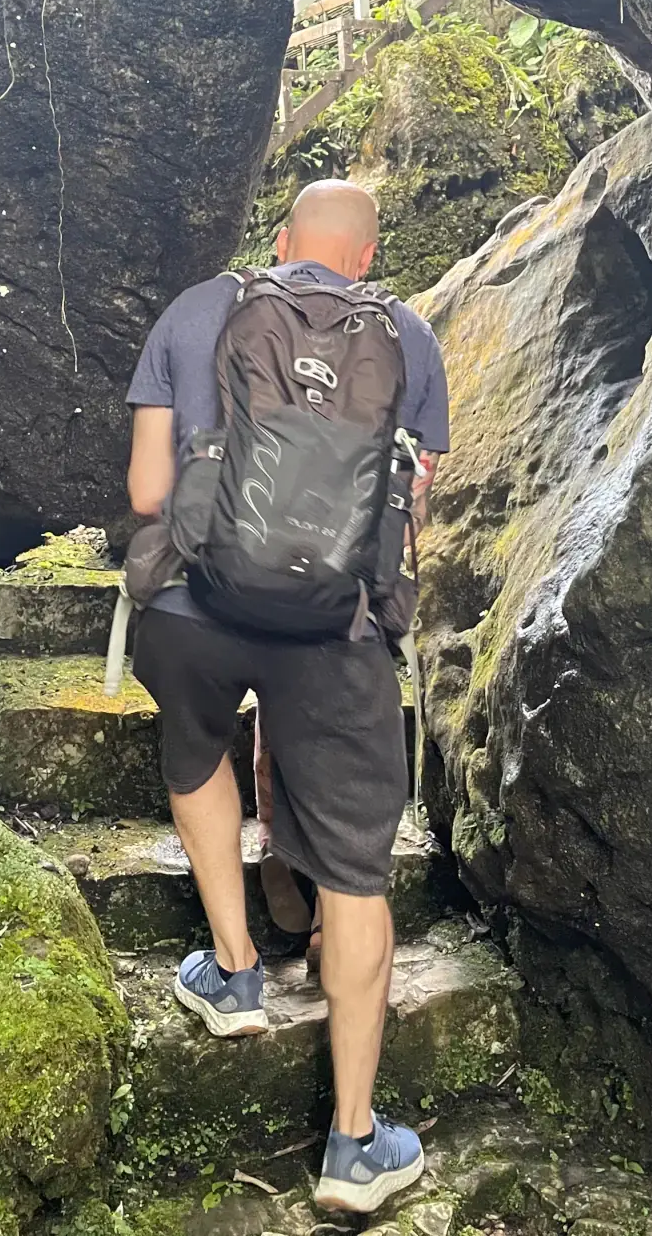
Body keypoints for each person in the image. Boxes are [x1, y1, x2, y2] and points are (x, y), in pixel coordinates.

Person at [124, 179, 448, 1214]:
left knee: (196, 754)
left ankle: (231, 972)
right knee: (360, 873)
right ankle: (353, 1145)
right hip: (333, 628)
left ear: (277, 242)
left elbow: (144, 494)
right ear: (363, 258)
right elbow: (406, 506)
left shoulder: (193, 310)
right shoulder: (405, 335)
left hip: (190, 605)